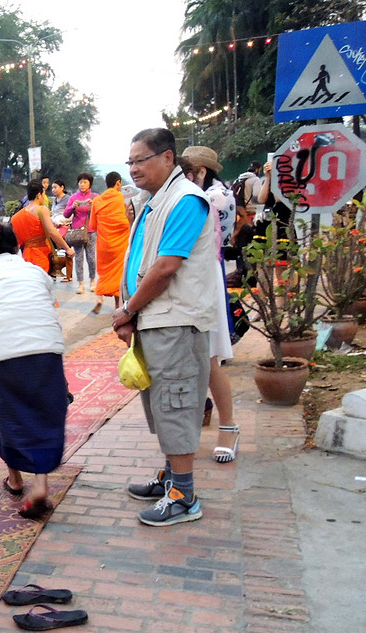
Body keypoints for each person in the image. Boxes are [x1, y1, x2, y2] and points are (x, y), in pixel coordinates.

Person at [111, 128, 219, 527]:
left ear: (168, 158)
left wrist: (127, 311)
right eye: (131, 162)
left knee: (176, 402)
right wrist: (133, 313)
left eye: (142, 160)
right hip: (157, 320)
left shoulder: (186, 200)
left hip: (176, 322)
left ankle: (184, 496)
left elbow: (166, 267)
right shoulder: (155, 201)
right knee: (161, 404)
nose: (135, 169)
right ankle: (173, 477)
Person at [0, 225, 68, 520]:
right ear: (17, 247)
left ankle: (17, 480)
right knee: (46, 414)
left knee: (9, 419)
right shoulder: (37, 273)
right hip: (46, 350)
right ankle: (41, 484)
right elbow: (48, 309)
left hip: (4, 356)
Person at [181, 146, 240, 464]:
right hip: (199, 275)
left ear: (200, 172)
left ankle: (228, 426)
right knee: (198, 360)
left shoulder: (208, 198)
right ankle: (201, 420)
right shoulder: (215, 193)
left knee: (209, 358)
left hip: (204, 275)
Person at [89, 171, 130, 315]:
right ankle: (118, 305)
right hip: (120, 242)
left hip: (104, 244)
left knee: (104, 273)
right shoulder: (123, 199)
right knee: (119, 274)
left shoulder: (97, 200)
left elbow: (93, 225)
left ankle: (99, 298)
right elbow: (128, 221)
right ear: (118, 183)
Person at [10, 179, 70, 274]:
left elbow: (17, 241)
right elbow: (52, 232)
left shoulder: (16, 217)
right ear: (39, 195)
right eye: (43, 194)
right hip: (41, 254)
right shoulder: (42, 210)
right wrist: (67, 248)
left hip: (26, 254)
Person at [64, 173, 97, 294]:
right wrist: (72, 207)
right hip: (77, 231)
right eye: (80, 182)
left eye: (85, 182)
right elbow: (66, 214)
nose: (82, 184)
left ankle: (93, 281)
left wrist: (93, 205)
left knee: (91, 257)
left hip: (91, 231)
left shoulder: (95, 197)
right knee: (78, 257)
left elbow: (100, 213)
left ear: (90, 184)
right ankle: (81, 284)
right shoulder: (73, 197)